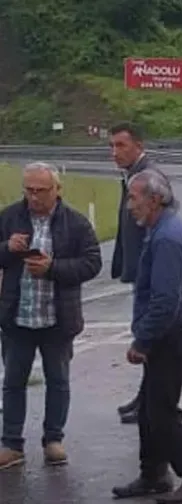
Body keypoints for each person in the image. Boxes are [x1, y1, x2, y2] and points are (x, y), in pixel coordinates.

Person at [110, 169, 182, 503]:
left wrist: (143, 341)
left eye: (134, 198)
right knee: (149, 410)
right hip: (172, 332)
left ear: (155, 199)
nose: (130, 206)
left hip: (173, 334)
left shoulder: (168, 237)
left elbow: (166, 300)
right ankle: (153, 474)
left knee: (161, 412)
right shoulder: (162, 229)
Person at [0, 162, 102, 470]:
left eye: (40, 191)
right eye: (28, 190)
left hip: (58, 318)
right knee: (13, 382)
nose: (33, 197)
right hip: (17, 316)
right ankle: (11, 443)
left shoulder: (76, 223)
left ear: (57, 190)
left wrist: (53, 269)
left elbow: (92, 263)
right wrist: (7, 247)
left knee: (58, 381)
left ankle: (54, 440)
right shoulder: (9, 217)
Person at [109, 121, 164, 425]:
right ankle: (144, 397)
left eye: (121, 145)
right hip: (139, 269)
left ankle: (149, 401)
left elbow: (156, 227)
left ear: (138, 146)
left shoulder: (148, 178)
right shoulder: (133, 175)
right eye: (112, 146)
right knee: (145, 335)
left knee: (149, 337)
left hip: (149, 273)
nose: (114, 152)